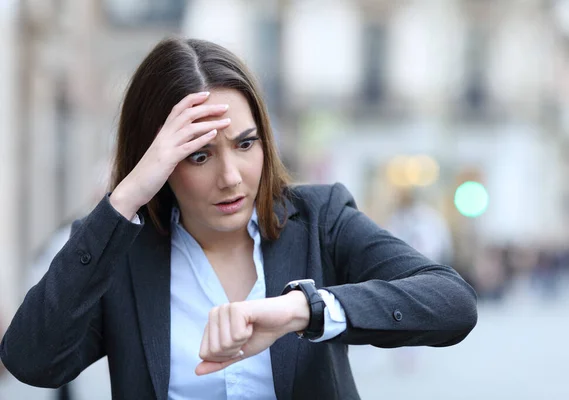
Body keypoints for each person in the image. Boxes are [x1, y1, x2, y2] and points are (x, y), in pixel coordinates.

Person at [0, 37, 478, 399]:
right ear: (158, 161)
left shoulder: (319, 219)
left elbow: (452, 302)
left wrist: (302, 311)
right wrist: (123, 199)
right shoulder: (122, 254)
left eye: (245, 144)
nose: (231, 177)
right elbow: (30, 359)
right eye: (199, 156)